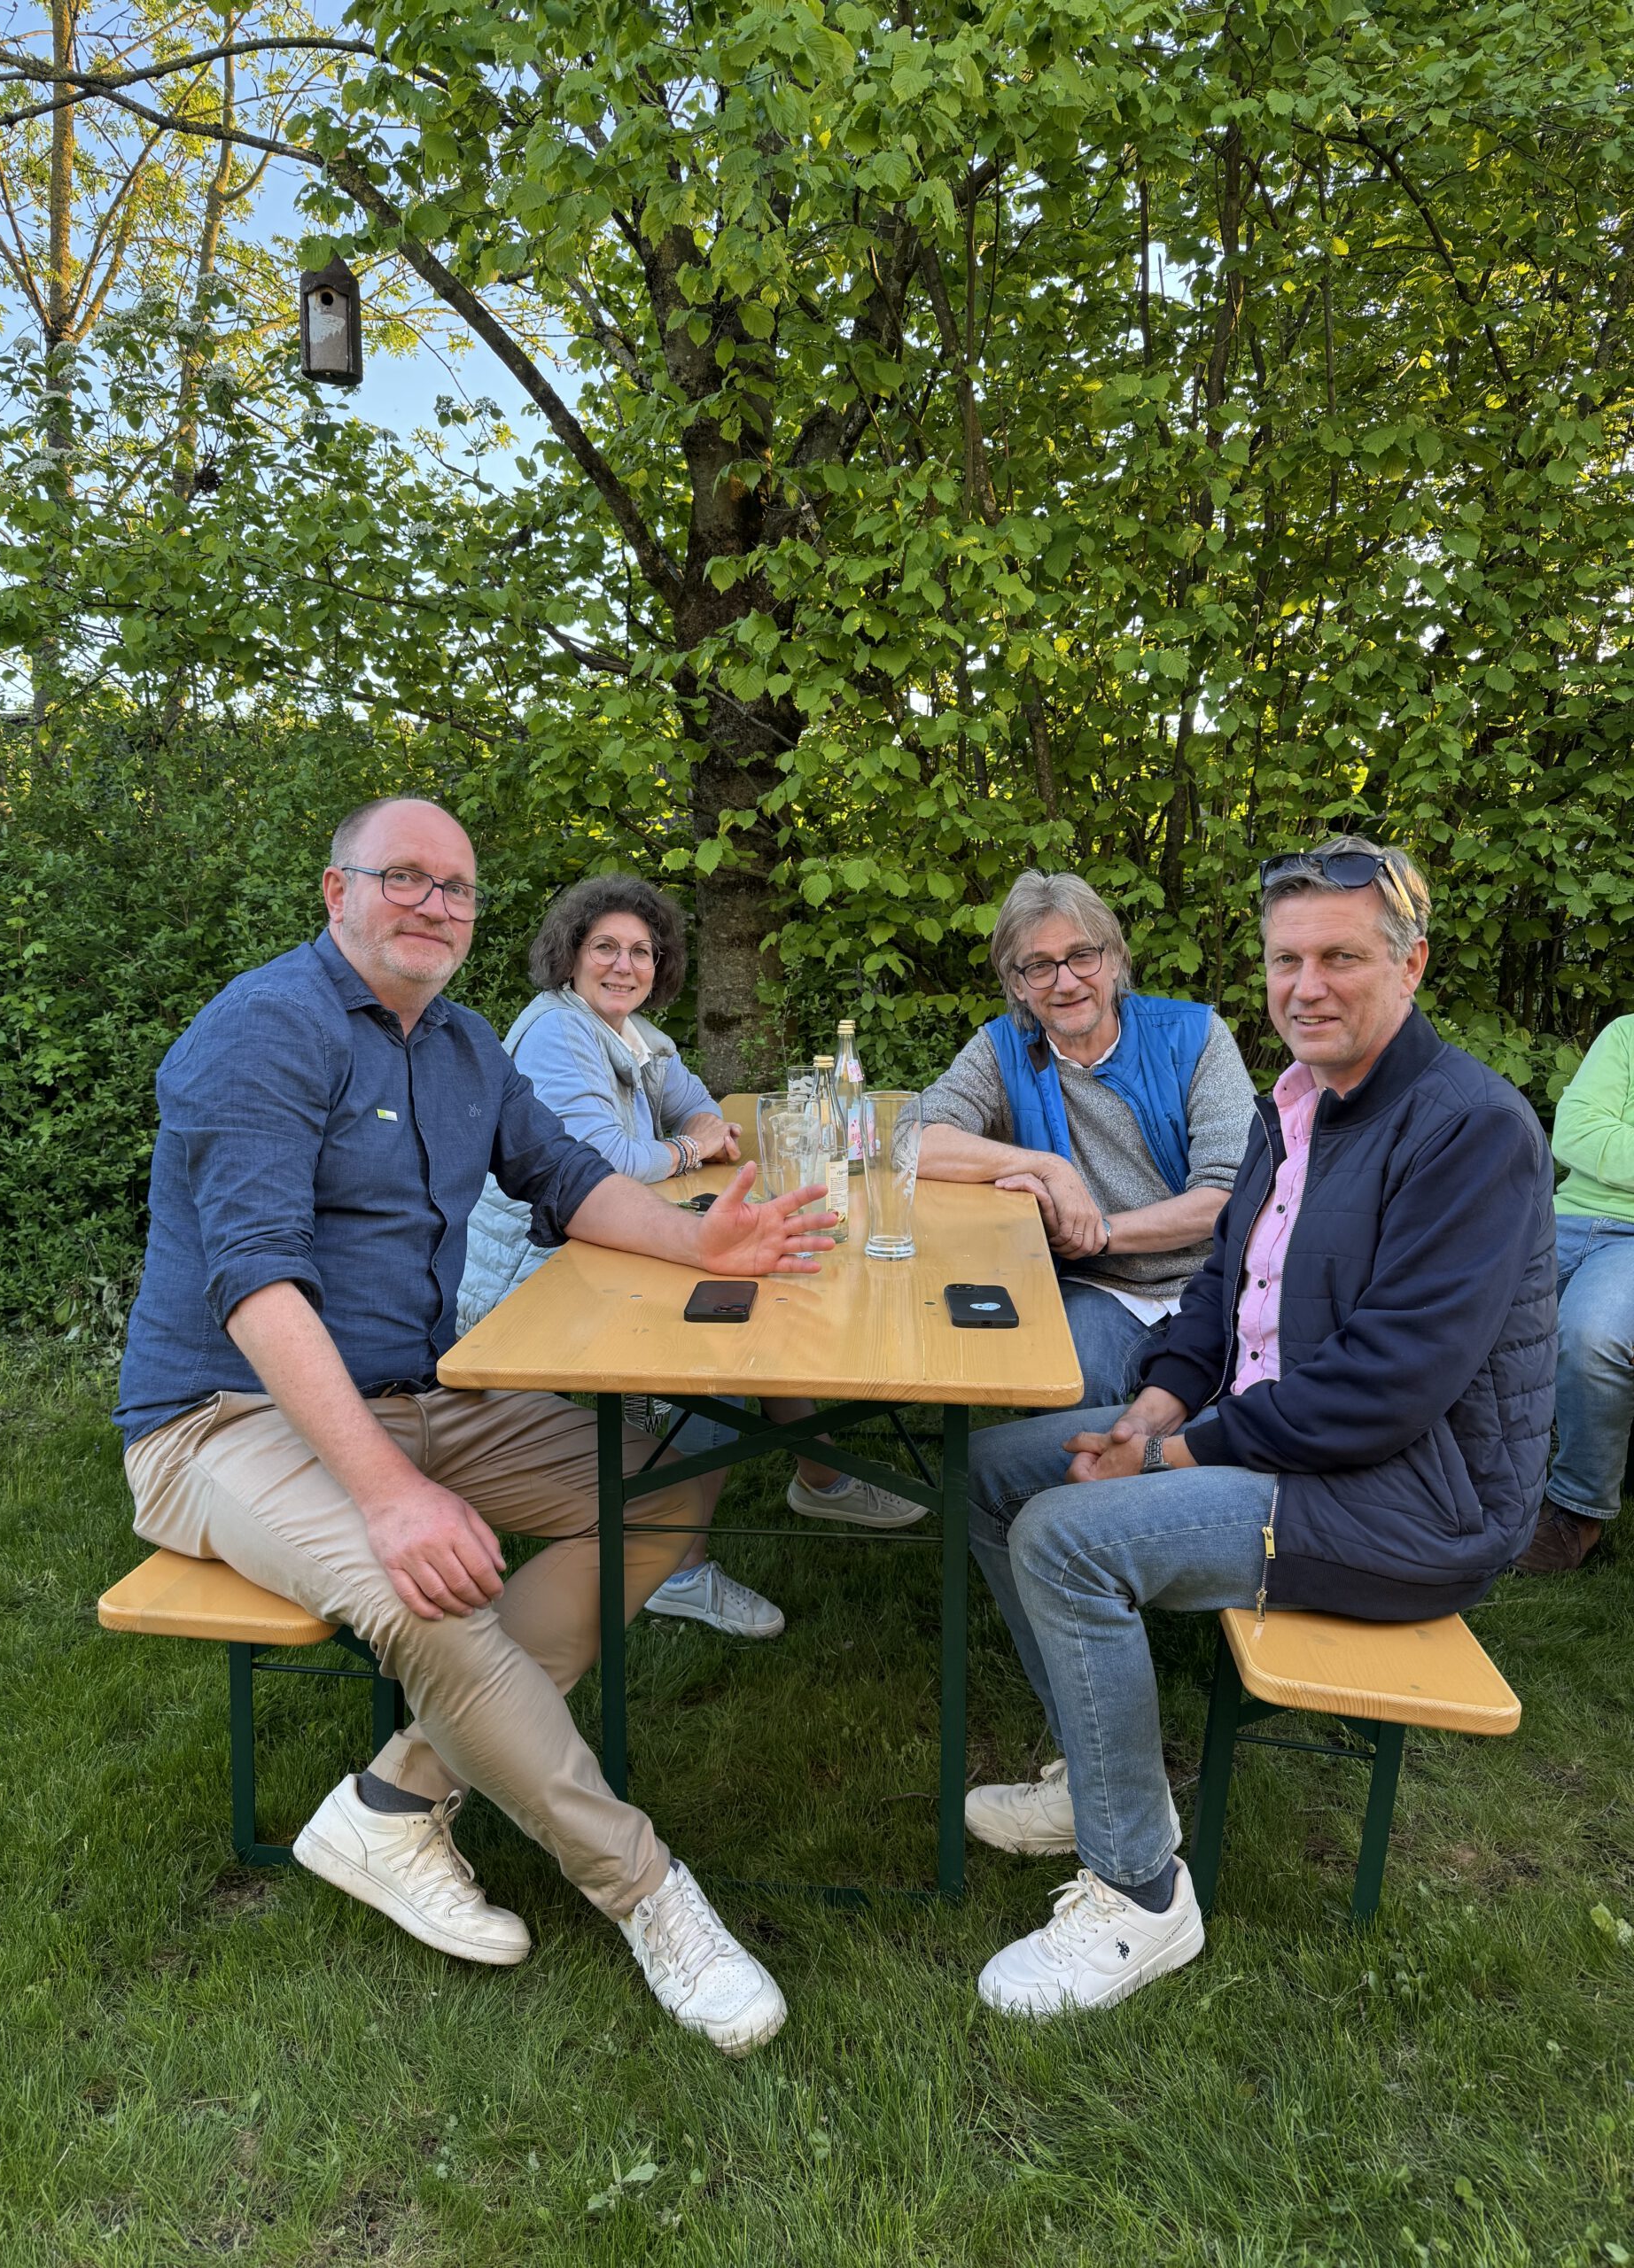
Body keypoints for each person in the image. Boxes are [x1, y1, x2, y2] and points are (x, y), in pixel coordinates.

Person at [114, 796, 840, 2055]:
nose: (435, 905)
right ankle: (648, 1892)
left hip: (418, 1393)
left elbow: (565, 1177)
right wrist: (390, 1494)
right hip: (223, 1418)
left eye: (456, 888)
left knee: (670, 1478)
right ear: (335, 890)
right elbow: (255, 1282)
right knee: (432, 1593)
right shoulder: (263, 1029)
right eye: (404, 876)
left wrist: (699, 1242)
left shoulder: (459, 1044)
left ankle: (398, 1800)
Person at [959, 835, 1555, 2016]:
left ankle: (1141, 1894)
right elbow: (1220, 1294)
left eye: (1341, 958)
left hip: (1413, 1498)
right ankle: (1097, 1778)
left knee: (1063, 1539)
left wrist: (1168, 1453)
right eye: (1288, 960)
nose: (1306, 986)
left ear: (1410, 965)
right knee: (990, 1470)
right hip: (1285, 1438)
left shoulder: (1471, 1129)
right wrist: (1152, 1405)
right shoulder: (1299, 1103)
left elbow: (1384, 1387)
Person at [459, 874, 923, 1643]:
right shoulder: (557, 1032)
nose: (624, 965)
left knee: (755, 1280)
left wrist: (696, 1134)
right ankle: (677, 1569)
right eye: (605, 947)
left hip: (602, 1245)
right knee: (720, 1334)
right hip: (536, 1274)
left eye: (642, 951)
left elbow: (702, 1107)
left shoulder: (635, 1035)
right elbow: (602, 1163)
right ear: (570, 955)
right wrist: (686, 1151)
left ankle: (821, 1474)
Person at [914, 872, 1256, 1405]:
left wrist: (1099, 1233)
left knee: (1252, 1406)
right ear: (1018, 985)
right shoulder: (1002, 1050)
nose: (1066, 982)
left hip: (1214, 1279)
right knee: (1068, 1391)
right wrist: (1049, 1167)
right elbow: (911, 1140)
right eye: (1039, 966)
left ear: (1115, 960)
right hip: (1096, 1287)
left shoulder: (1194, 1036)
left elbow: (1230, 1195)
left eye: (1082, 956)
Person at [1518, 1012, 1634, 1573]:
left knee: (1592, 1336)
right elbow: (1576, 1133)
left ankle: (1576, 1513)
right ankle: (1437, 1480)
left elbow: (1601, 1138)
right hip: (1561, 1217)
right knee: (1449, 1303)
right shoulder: (1628, 1034)